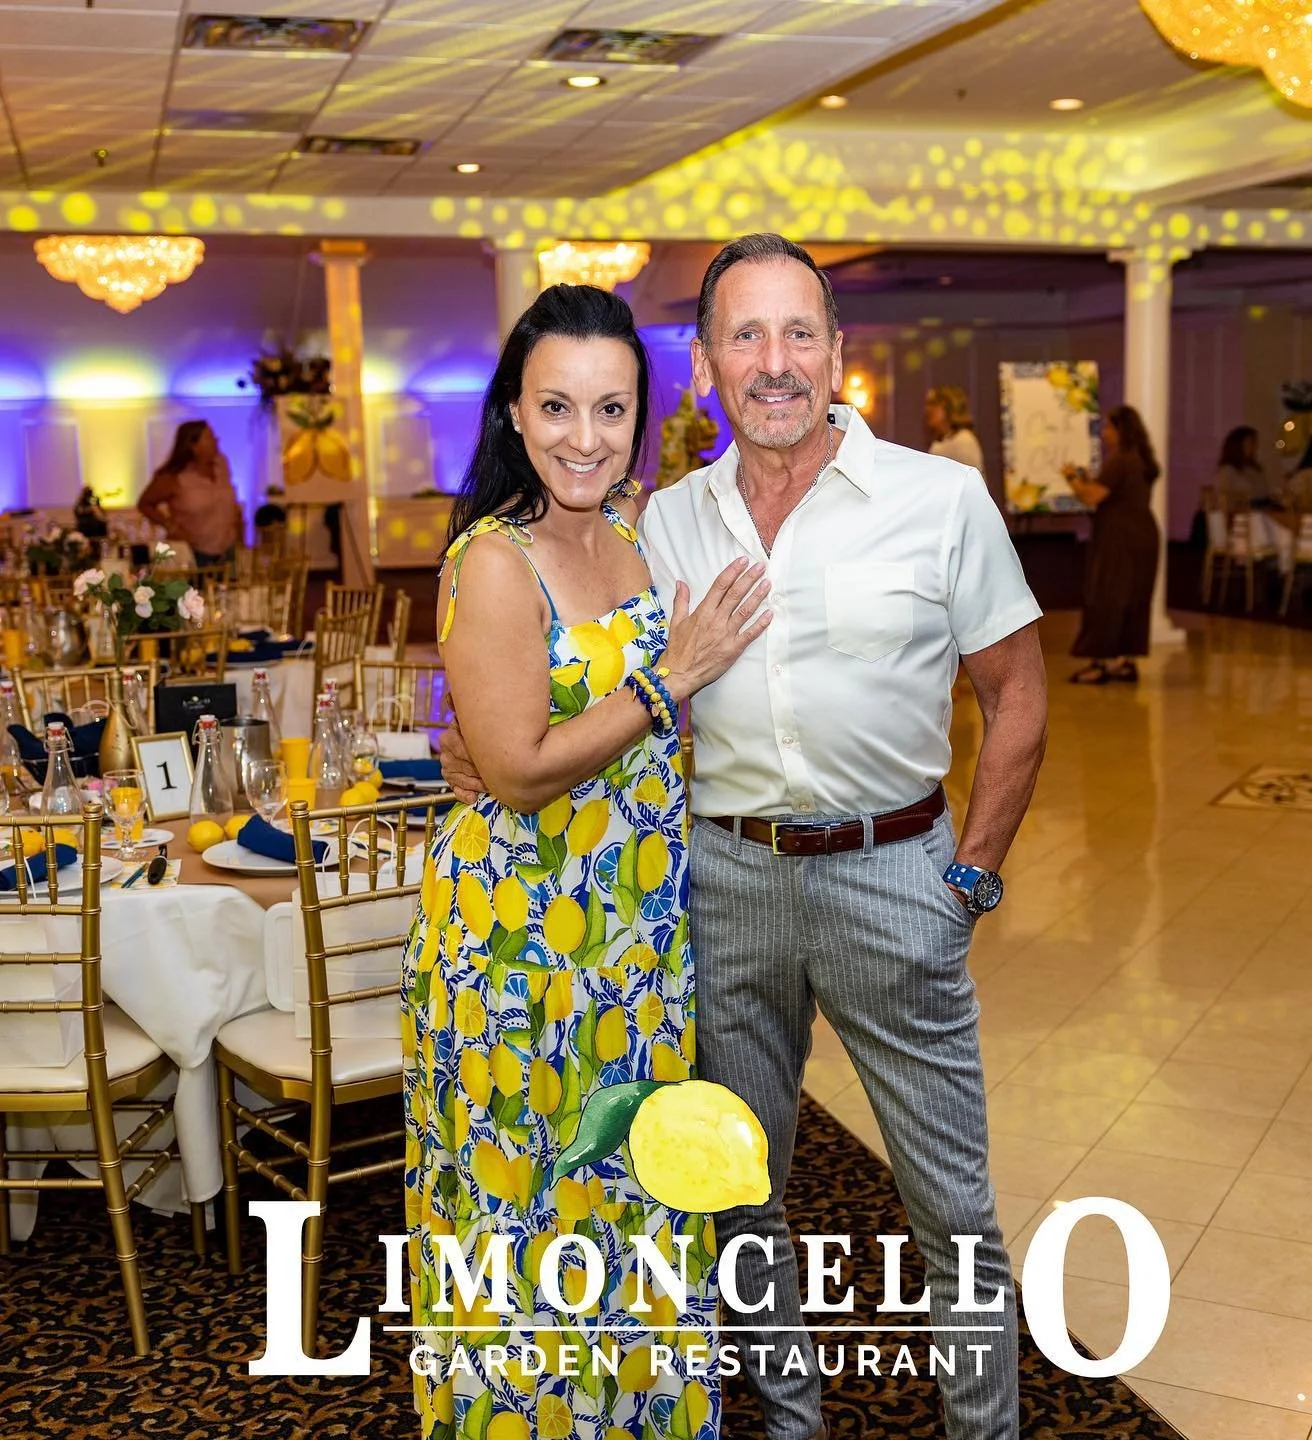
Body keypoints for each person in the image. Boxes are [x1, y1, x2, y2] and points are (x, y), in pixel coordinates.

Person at [442, 233, 1049, 1440]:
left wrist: (968, 876)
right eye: (745, 335)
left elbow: (1018, 693)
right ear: (708, 360)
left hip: (895, 875)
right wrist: (478, 749)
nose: (774, 363)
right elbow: (558, 673)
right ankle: (787, 1420)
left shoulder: (941, 500)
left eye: (798, 332)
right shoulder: (661, 520)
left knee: (952, 1207)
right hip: (718, 886)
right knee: (736, 1183)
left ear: (837, 351)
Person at [404, 283, 771, 1440]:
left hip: (629, 950)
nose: (584, 437)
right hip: (517, 959)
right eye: (557, 407)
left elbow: (636, 740)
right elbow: (515, 768)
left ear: (639, 419)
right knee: (530, 1227)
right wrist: (673, 676)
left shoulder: (632, 537)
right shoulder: (494, 559)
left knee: (632, 1210)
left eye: (610, 411)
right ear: (514, 412)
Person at [1064, 405, 1161, 685]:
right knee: (1133, 597)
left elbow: (1092, 496)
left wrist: (1071, 478)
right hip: (1142, 535)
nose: (1104, 433)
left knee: (1107, 595)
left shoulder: (1120, 460)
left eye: (1108, 427)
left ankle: (1101, 663)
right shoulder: (1140, 459)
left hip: (1120, 539)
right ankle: (1126, 660)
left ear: (1121, 431)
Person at [137, 420, 242, 567]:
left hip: (228, 550)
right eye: (209, 437)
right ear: (194, 446)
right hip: (195, 552)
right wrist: (170, 526)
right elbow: (145, 503)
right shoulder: (174, 477)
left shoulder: (221, 464)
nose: (216, 440)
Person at [925, 384, 985, 475]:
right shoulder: (940, 442)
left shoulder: (964, 440)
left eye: (934, 404)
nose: (928, 409)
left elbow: (971, 481)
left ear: (949, 406)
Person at [1214, 425, 1269, 506]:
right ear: (1239, 445)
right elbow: (1222, 499)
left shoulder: (1255, 469)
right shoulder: (1228, 471)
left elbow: (1264, 494)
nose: (1255, 446)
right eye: (1252, 442)